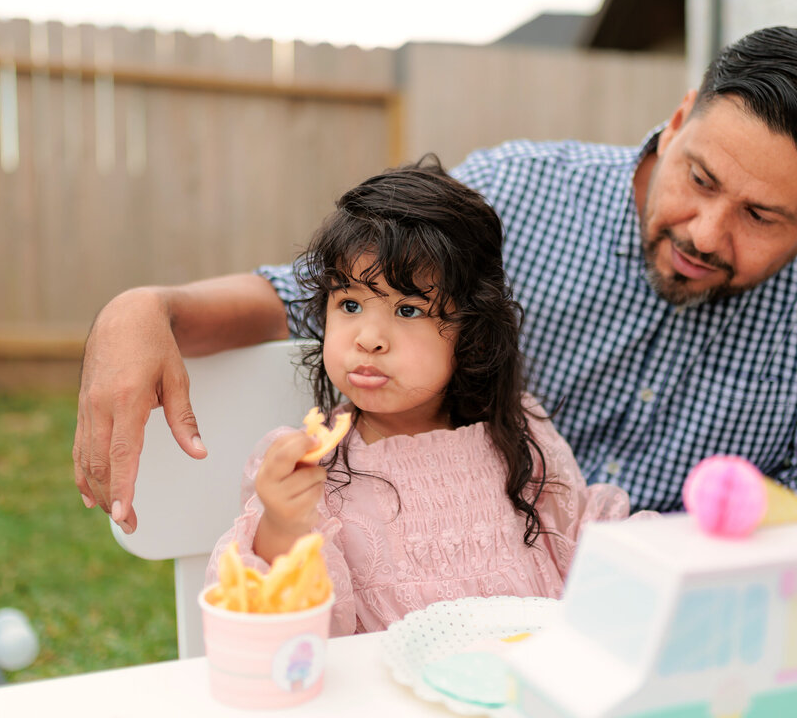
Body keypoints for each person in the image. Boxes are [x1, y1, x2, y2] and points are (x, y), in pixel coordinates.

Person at [74, 25, 797, 534]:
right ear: (681, 118)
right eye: (700, 178)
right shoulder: (523, 192)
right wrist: (149, 309)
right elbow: (306, 293)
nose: (706, 231)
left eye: (762, 218)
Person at [207, 161, 635, 636]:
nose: (368, 338)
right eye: (349, 304)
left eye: (408, 309)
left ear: (470, 333)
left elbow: (587, 554)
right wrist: (283, 526)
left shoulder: (520, 432)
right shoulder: (309, 469)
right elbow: (294, 640)